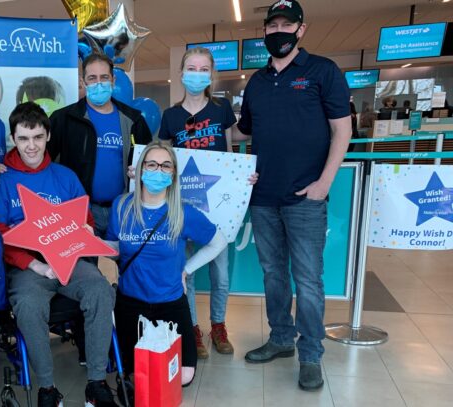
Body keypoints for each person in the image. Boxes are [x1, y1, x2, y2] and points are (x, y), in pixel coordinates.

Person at [234, 0, 352, 391]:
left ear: (301, 29)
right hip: (264, 198)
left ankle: (312, 354)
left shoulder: (323, 71)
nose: (278, 31)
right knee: (273, 275)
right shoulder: (257, 81)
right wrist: (195, 128)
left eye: (286, 24)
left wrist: (324, 184)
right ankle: (281, 338)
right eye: (272, 25)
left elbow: (343, 131)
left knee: (308, 280)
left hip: (306, 198)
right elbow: (241, 131)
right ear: (264, 31)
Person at [0, 102, 118, 407]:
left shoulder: (65, 177)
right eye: (23, 138)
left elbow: (86, 221)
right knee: (28, 304)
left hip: (69, 261)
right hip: (27, 268)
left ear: (48, 135)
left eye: (37, 136)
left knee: (101, 291)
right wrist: (35, 265)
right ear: (13, 138)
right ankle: (47, 388)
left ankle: (97, 383)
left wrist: (87, 232)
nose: (31, 146)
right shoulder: (2, 180)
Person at [105, 141, 227, 395]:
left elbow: (218, 242)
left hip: (171, 303)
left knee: (183, 377)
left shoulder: (183, 213)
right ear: (140, 170)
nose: (157, 170)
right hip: (130, 303)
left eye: (165, 165)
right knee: (135, 376)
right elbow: (115, 247)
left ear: (173, 174)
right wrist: (87, 240)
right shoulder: (121, 206)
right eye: (151, 164)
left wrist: (187, 270)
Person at [158, 46, 246, 359]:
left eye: (203, 69)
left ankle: (218, 325)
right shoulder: (171, 116)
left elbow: (232, 155)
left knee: (220, 272)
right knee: (188, 271)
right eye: (191, 68)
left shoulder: (221, 110)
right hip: (183, 205)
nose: (197, 74)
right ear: (181, 74)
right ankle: (192, 328)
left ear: (210, 74)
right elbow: (162, 159)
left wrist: (243, 180)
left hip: (219, 205)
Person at [48, 53, 152, 238]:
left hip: (123, 209)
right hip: (80, 210)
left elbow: (152, 162)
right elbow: (44, 162)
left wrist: (143, 173)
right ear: (83, 81)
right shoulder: (63, 119)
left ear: (113, 79)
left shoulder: (134, 120)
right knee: (86, 266)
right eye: (92, 78)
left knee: (129, 264)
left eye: (104, 77)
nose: (99, 83)